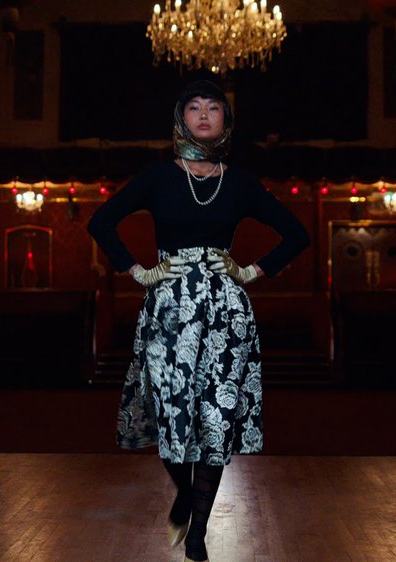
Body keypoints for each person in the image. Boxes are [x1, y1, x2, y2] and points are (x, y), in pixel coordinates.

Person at [87, 80, 309, 562]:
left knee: (214, 419)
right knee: (172, 415)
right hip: (169, 309)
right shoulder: (157, 177)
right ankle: (185, 496)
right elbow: (101, 221)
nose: (204, 115)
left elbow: (297, 234)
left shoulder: (242, 182)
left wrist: (250, 271)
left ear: (226, 121)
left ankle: (197, 533)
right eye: (194, 108)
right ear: (180, 118)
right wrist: (137, 269)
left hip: (226, 313)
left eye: (214, 108)